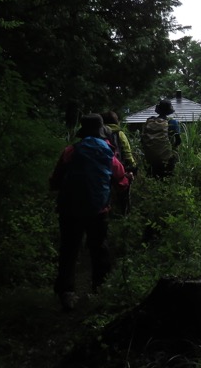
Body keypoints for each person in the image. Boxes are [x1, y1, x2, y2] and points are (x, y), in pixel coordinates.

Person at [49, 113, 132, 311]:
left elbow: (55, 181)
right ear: (101, 131)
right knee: (99, 247)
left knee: (69, 248)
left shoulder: (70, 151)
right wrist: (128, 179)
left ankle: (66, 292)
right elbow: (121, 182)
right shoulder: (108, 153)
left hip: (69, 209)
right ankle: (100, 288)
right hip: (98, 210)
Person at [101, 110, 137, 215]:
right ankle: (124, 213)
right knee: (123, 193)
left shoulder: (99, 133)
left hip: (103, 169)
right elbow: (127, 151)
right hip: (120, 168)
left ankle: (107, 211)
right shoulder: (119, 133)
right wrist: (133, 166)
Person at [141, 98, 182, 177]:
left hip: (150, 159)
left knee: (152, 180)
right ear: (169, 111)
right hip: (166, 160)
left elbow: (142, 140)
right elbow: (178, 141)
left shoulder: (150, 121)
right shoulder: (172, 123)